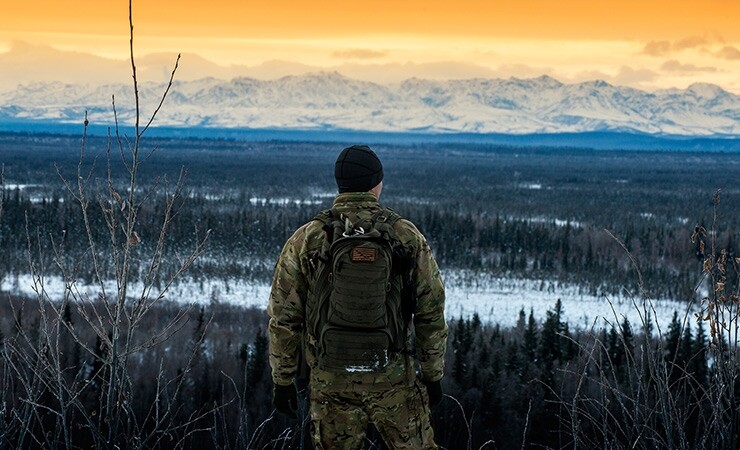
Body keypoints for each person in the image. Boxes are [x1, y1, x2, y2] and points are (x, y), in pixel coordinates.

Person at [267, 145, 448, 449]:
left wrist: (282, 380)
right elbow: (430, 310)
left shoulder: (308, 237)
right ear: (377, 183)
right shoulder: (405, 235)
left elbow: (284, 317)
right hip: (392, 376)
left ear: (340, 184)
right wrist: (432, 374)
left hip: (330, 377)